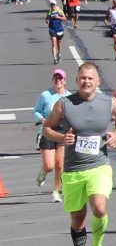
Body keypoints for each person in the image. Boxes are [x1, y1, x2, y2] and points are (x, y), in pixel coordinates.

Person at [41, 63, 116, 246]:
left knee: (100, 208)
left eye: (90, 78)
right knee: (78, 220)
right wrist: (62, 138)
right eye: (82, 78)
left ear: (98, 81)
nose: (86, 82)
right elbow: (47, 128)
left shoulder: (108, 102)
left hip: (98, 165)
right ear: (77, 80)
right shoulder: (65, 104)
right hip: (73, 171)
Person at [34, 68, 69, 203]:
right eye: (56, 78)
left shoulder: (69, 97)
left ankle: (55, 191)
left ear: (64, 81)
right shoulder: (45, 95)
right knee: (49, 166)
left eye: (60, 78)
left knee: (60, 165)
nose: (58, 80)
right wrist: (42, 119)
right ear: (52, 80)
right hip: (47, 131)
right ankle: (43, 172)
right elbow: (36, 111)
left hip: (62, 132)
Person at [45, 0, 67, 64]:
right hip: (52, 29)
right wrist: (47, 21)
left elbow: (65, 18)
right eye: (51, 5)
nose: (52, 6)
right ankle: (54, 58)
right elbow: (46, 19)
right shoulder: (49, 12)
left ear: (55, 5)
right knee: (54, 43)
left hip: (59, 29)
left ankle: (59, 54)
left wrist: (58, 17)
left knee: (59, 43)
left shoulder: (59, 11)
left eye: (53, 5)